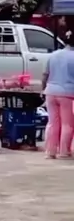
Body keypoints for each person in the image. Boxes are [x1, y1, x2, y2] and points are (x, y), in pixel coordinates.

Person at [42, 30, 74, 159]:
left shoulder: (53, 55)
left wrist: (43, 89)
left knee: (52, 123)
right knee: (67, 124)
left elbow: (45, 75)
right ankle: (64, 152)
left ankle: (50, 152)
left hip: (50, 91)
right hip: (67, 93)